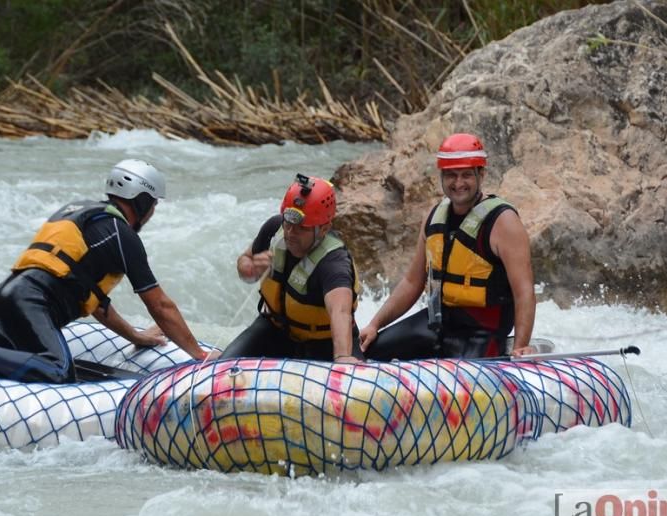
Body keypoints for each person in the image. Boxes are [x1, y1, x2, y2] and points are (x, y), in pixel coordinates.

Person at [0, 159, 208, 382]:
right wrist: (199, 356)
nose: (152, 212)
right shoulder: (121, 234)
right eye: (152, 203)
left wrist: (135, 336)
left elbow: (96, 303)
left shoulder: (84, 213)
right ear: (140, 201)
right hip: (28, 308)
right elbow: (160, 304)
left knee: (18, 370)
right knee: (57, 370)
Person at [359, 133, 537, 360]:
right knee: (369, 353)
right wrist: (374, 325)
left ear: (480, 175)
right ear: (442, 177)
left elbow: (524, 291)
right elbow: (412, 282)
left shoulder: (503, 222)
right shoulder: (434, 218)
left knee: (464, 384)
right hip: (437, 326)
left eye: (466, 175)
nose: (458, 183)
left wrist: (521, 346)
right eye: (451, 175)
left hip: (482, 332)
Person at [219, 173, 362, 363]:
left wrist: (343, 356)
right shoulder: (274, 229)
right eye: (288, 224)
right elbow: (245, 259)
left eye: (302, 228)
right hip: (275, 332)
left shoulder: (334, 262)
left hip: (323, 346)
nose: (290, 233)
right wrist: (248, 269)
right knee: (223, 365)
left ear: (324, 229)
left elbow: (340, 312)